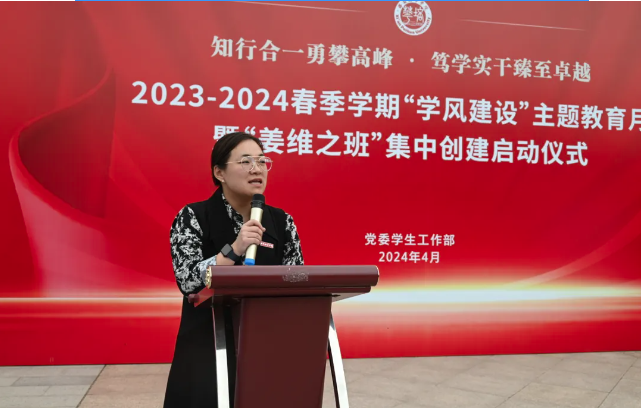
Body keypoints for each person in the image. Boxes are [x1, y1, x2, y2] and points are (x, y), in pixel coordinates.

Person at [163, 132, 304, 408]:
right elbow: (187, 280)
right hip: (207, 345)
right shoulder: (193, 216)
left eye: (262, 161)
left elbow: (295, 281)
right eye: (245, 161)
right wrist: (234, 249)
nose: (257, 168)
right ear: (220, 173)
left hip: (265, 345)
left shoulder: (282, 222)